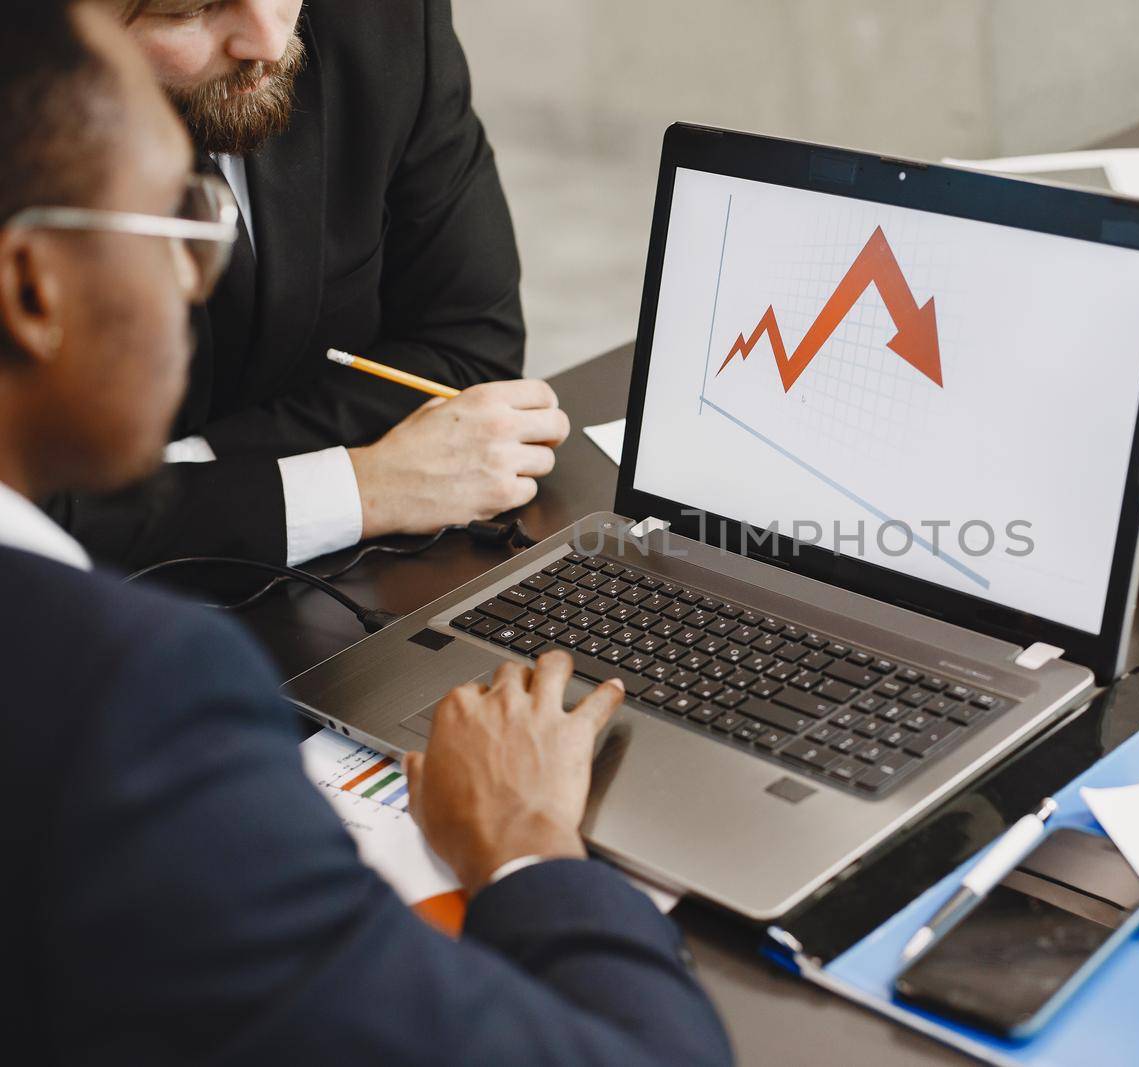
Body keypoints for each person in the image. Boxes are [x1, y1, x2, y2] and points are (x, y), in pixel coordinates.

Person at [0, 4, 731, 1062]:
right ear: (31, 286)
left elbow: (466, 347)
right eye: (178, 223)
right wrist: (529, 851)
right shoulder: (127, 709)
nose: (207, 276)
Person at [45, 0, 571, 570]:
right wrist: (359, 489)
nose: (271, 43)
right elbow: (24, 521)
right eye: (191, 10)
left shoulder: (384, 21)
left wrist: (169, 481)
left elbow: (468, 354)